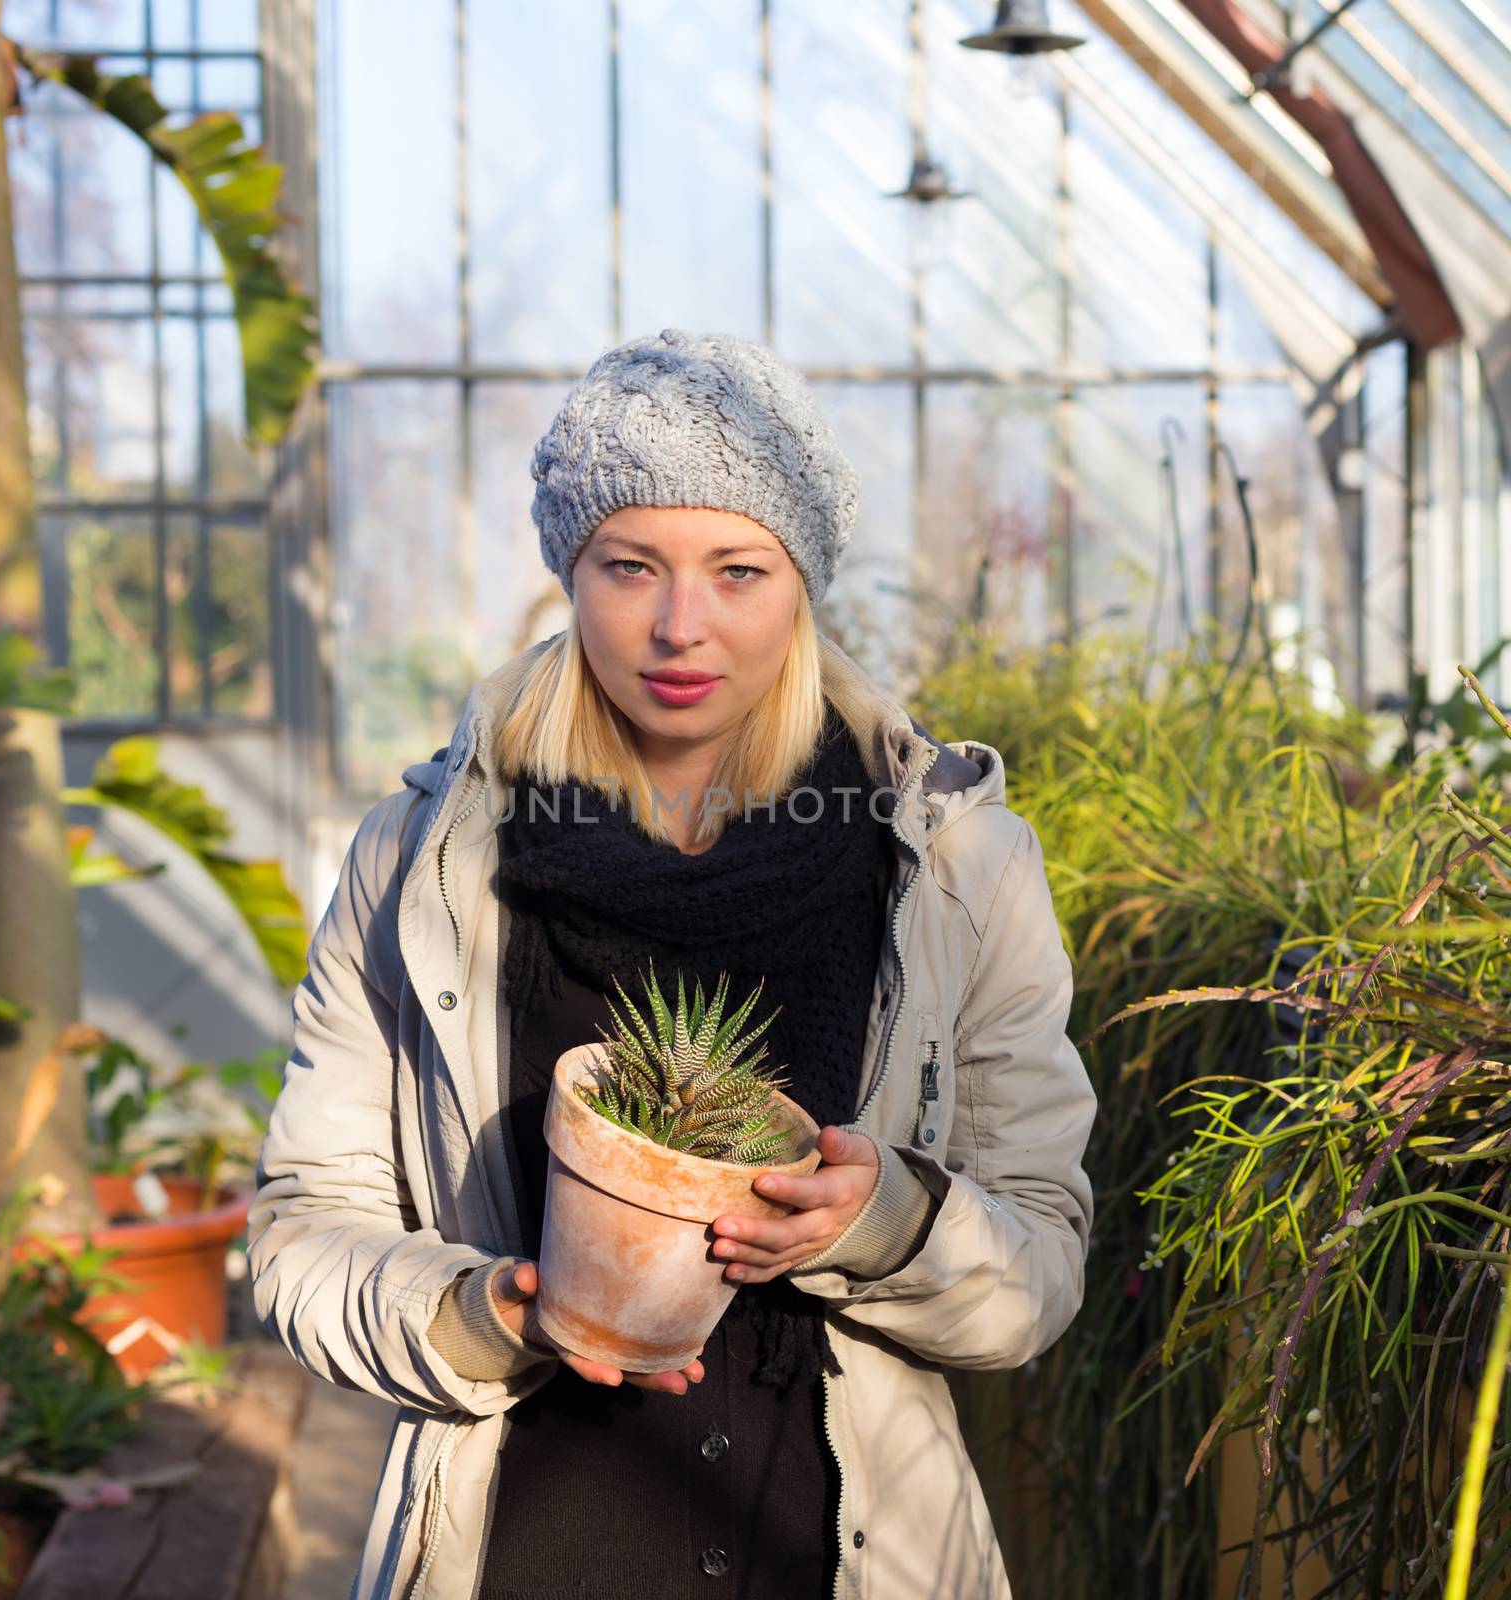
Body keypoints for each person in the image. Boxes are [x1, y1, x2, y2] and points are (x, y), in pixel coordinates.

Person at [247, 327, 1098, 1600]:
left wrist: (884, 1221)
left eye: (738, 570)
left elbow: (1036, 1268)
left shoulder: (956, 865)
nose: (679, 626)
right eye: (629, 565)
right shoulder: (420, 863)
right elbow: (302, 1233)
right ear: (570, 570)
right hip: (523, 1546)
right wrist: (490, 1315)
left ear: (803, 583)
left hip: (839, 1553)